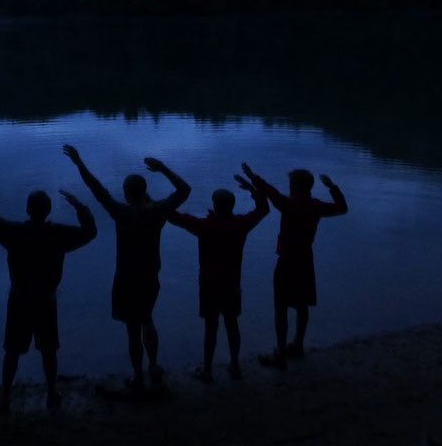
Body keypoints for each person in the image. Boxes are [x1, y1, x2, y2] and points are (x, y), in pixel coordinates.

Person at [0, 189, 96, 413]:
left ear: (27, 209)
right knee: (48, 350)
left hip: (19, 299)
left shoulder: (14, 233)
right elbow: (89, 232)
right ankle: (52, 393)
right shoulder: (57, 234)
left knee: (12, 351)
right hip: (45, 300)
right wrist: (80, 207)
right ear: (48, 210)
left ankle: (5, 397)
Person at [63, 144, 190, 391]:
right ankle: (153, 366)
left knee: (133, 330)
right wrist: (163, 168)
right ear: (144, 191)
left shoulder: (120, 212)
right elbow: (185, 190)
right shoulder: (158, 211)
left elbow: (96, 189)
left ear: (126, 193)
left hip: (126, 279)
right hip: (150, 276)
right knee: (148, 319)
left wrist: (79, 163)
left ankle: (138, 376)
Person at [236, 163, 347, 370]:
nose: (288, 187)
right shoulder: (315, 206)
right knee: (302, 305)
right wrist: (332, 186)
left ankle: (280, 353)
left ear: (294, 185)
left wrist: (252, 176)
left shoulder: (288, 204)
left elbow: (270, 191)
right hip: (305, 260)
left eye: (290, 183)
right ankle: (297, 345)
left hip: (287, 260)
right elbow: (342, 207)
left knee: (281, 307)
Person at [168, 187, 270, 382]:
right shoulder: (240, 224)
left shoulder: (205, 225)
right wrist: (253, 191)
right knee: (232, 324)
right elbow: (263, 209)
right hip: (232, 284)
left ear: (214, 205)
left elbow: (174, 217)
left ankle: (207, 369)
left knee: (210, 327)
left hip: (209, 285)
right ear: (232, 205)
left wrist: (151, 202)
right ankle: (235, 365)